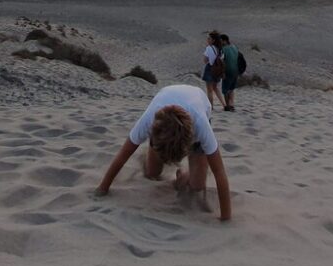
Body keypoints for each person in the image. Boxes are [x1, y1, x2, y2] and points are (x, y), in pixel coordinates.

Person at [94, 84, 232, 221]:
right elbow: (122, 156)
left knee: (197, 187)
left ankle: (185, 173)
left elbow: (219, 172)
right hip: (166, 107)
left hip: (198, 103)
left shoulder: (202, 126)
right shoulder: (148, 121)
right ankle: (155, 155)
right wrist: (102, 188)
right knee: (152, 174)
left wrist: (226, 218)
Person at [219, 33, 239, 112]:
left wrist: (222, 72)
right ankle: (232, 105)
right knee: (231, 88)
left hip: (228, 71)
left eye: (221, 41)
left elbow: (222, 61)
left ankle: (227, 106)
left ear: (225, 41)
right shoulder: (234, 47)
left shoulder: (223, 50)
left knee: (225, 90)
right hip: (236, 70)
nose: (220, 43)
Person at [202, 31, 222, 107]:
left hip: (210, 68)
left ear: (213, 40)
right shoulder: (219, 48)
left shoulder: (209, 48)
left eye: (209, 38)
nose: (207, 40)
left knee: (209, 90)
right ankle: (224, 104)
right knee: (215, 87)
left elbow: (205, 60)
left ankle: (211, 106)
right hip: (217, 69)